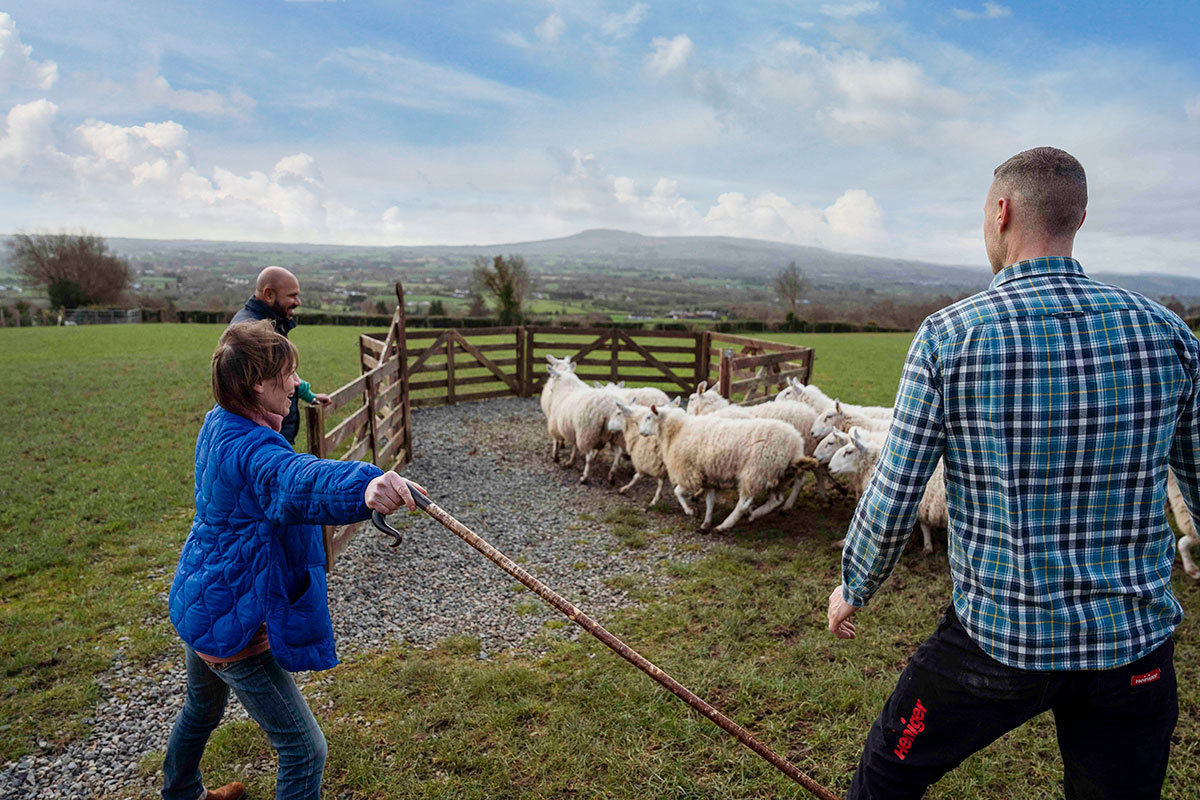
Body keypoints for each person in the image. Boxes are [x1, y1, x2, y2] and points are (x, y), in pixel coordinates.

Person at [827, 147, 1192, 799]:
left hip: (998, 641)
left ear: (1001, 212)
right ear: (1079, 216)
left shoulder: (950, 335)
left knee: (889, 770)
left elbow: (896, 486)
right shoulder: (1167, 334)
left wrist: (855, 584)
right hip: (1133, 649)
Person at [162, 320, 422, 800]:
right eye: (288, 372)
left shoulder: (220, 420)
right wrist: (365, 486)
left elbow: (283, 469)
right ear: (258, 383)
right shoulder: (254, 449)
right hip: (237, 616)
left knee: (200, 709)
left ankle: (181, 792)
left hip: (204, 596)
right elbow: (294, 479)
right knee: (305, 750)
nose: (295, 382)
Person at [230, 266, 331, 446]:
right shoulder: (253, 334)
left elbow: (278, 374)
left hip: (273, 432)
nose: (298, 302)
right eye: (292, 295)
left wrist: (309, 396)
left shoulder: (270, 325)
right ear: (269, 294)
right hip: (262, 438)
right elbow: (250, 391)